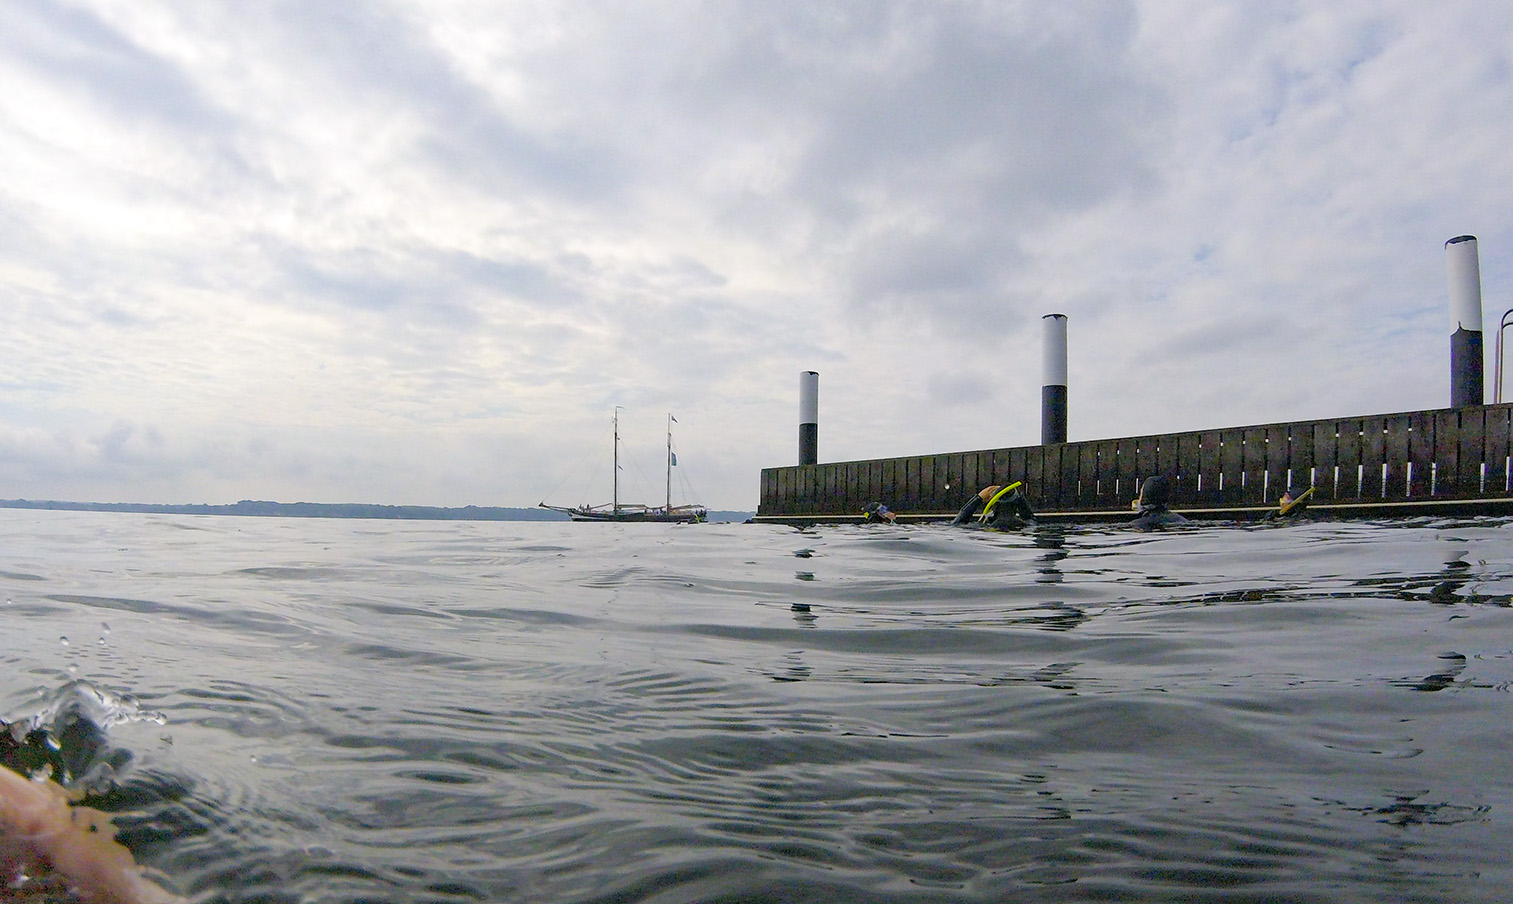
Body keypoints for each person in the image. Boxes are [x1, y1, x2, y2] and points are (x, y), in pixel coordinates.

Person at [951, 482, 1036, 529]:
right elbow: (1029, 517)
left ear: (993, 505)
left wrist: (978, 498)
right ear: (1016, 505)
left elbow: (957, 524)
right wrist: (1019, 498)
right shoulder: (1026, 525)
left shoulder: (983, 527)